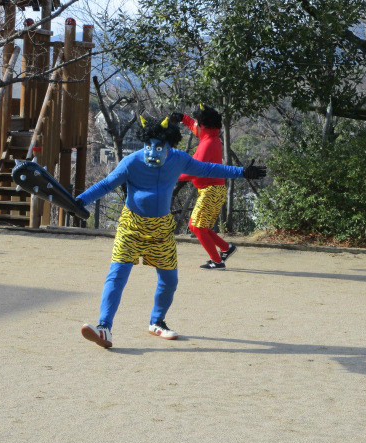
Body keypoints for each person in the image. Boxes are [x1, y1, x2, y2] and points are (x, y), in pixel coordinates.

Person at [75, 115, 266, 348]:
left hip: (161, 229)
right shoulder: (131, 162)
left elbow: (208, 168)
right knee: (117, 274)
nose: (152, 151)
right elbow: (106, 184)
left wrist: (242, 172)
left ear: (168, 146)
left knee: (169, 279)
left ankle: (157, 322)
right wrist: (81, 200)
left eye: (158, 147)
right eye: (148, 145)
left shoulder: (178, 159)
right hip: (131, 226)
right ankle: (104, 327)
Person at [172, 105, 237, 270]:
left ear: (203, 125)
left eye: (197, 123)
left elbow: (195, 171)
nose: (196, 127)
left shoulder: (207, 144)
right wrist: (183, 118)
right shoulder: (210, 135)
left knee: (198, 227)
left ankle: (217, 261)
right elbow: (195, 126)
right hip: (212, 189)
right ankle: (226, 248)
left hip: (211, 190)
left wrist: (173, 176)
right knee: (197, 226)